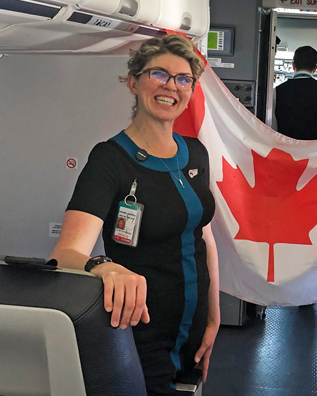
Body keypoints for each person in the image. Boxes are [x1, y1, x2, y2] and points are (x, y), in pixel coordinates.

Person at [50, 34, 220, 395]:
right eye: (158, 74)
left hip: (191, 330)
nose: (171, 86)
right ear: (133, 82)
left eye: (183, 79)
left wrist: (214, 316)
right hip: (139, 333)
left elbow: (203, 235)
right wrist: (105, 265)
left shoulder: (196, 154)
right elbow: (64, 254)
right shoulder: (109, 160)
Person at [272, 46, 317, 140]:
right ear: (315, 68)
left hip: (287, 151)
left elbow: (272, 129)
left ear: (293, 65)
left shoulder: (276, 92)